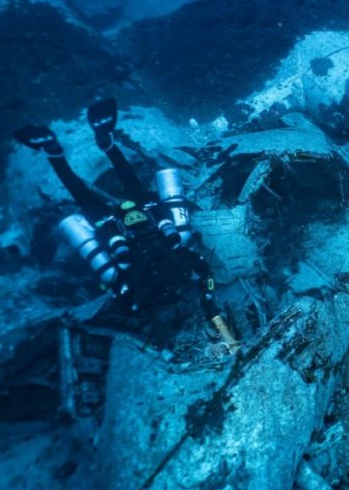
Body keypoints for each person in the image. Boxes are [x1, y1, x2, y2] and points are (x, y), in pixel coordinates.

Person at [14, 98, 237, 349]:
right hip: (126, 226)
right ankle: (67, 151)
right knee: (91, 195)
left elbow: (202, 269)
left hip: (127, 227)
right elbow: (201, 269)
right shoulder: (144, 278)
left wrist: (207, 293)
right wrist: (207, 295)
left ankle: (85, 147)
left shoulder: (151, 275)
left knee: (116, 188)